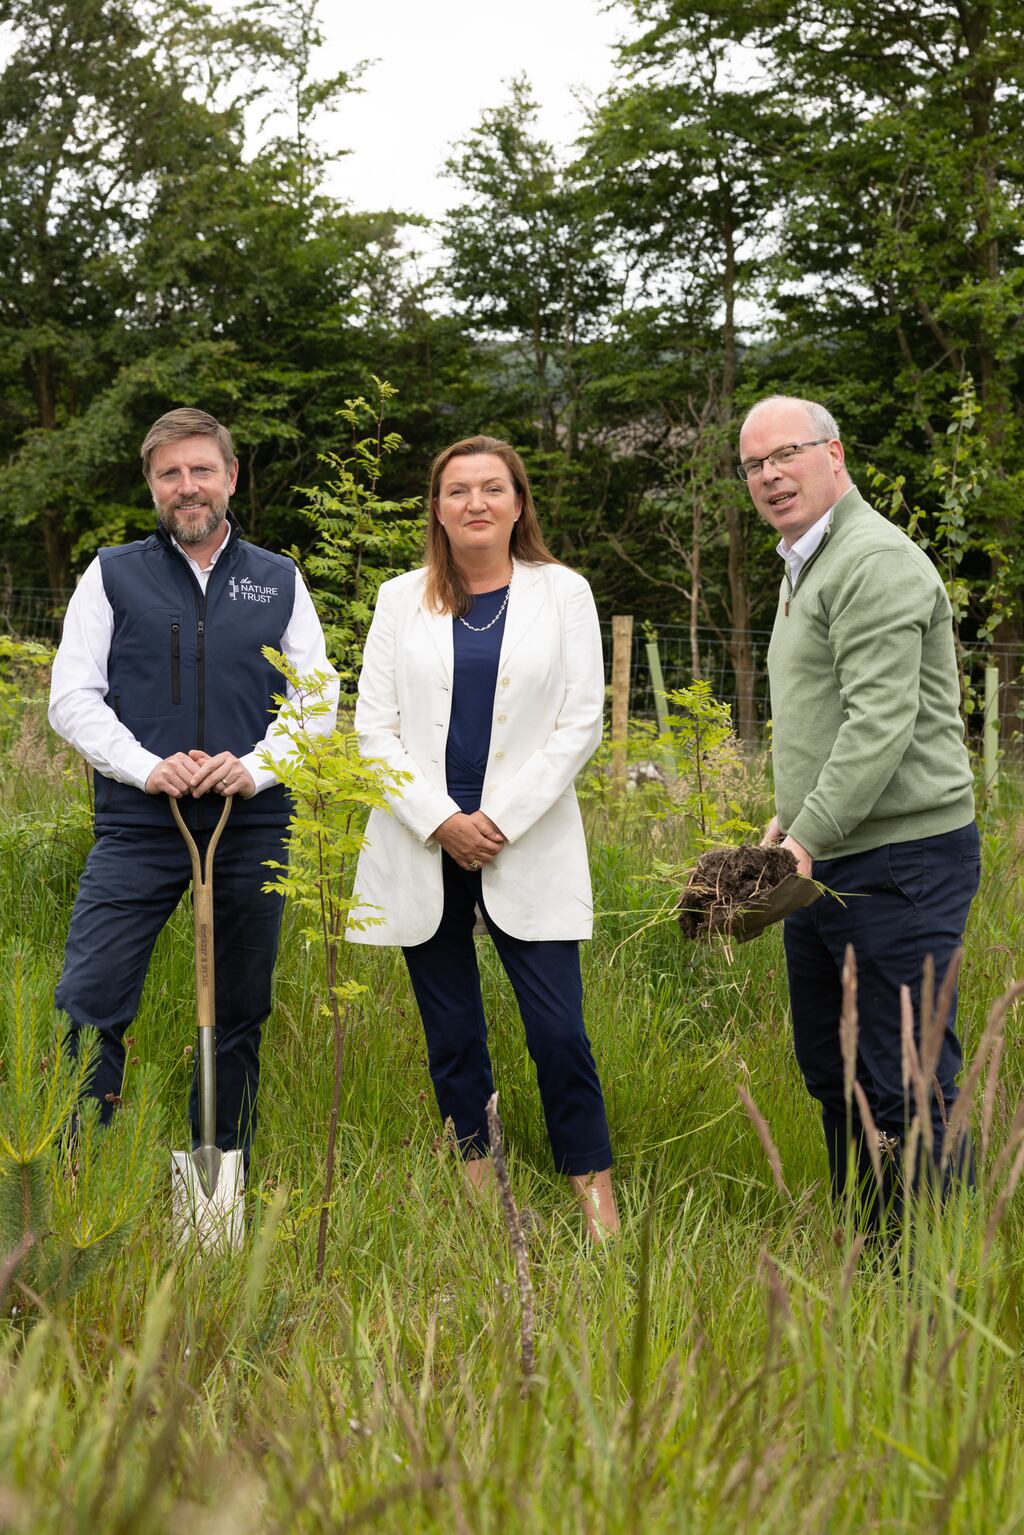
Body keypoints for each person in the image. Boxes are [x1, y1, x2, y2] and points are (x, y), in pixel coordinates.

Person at [348, 435, 619, 1241]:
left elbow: (581, 721)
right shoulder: (401, 599)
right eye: (458, 489)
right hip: (422, 840)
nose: (475, 502)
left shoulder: (563, 593)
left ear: (518, 502)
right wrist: (440, 819)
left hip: (522, 840)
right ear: (437, 507)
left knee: (559, 1033)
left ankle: (596, 1202)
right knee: (454, 1036)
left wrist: (497, 820)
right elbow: (373, 730)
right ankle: (481, 1201)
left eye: (492, 488)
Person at [50, 407, 338, 1163]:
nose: (188, 486)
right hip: (140, 826)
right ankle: (85, 1176)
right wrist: (147, 766)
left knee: (239, 1010)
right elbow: (72, 696)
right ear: (151, 486)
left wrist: (258, 766)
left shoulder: (278, 580)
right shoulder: (112, 574)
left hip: (250, 827)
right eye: (170, 473)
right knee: (90, 1000)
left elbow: (317, 695)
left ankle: (218, 1165)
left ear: (231, 476)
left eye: (201, 469)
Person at [737, 394, 979, 1213]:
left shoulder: (873, 559)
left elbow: (880, 724)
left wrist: (808, 834)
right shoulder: (806, 560)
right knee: (833, 1068)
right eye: (753, 465)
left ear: (833, 453)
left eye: (786, 455)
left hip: (899, 860)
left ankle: (937, 1269)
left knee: (904, 1075)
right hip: (827, 848)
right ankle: (872, 1253)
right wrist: (790, 823)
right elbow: (827, 712)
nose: (770, 476)